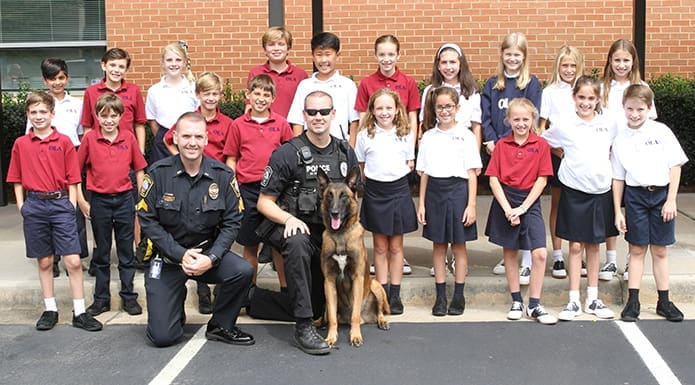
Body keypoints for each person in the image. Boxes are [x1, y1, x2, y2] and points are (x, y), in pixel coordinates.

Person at [137, 112, 254, 347]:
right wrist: (180, 254)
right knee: (163, 337)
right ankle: (172, 306)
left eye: (198, 136)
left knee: (242, 270)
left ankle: (221, 325)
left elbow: (232, 222)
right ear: (176, 138)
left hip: (205, 255)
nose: (192, 142)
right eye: (186, 136)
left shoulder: (222, 176)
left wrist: (211, 258)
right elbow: (147, 220)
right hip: (168, 259)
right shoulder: (157, 174)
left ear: (206, 139)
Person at [256, 90, 359, 355]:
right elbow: (264, 202)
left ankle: (253, 299)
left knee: (317, 305)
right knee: (299, 242)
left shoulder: (344, 151)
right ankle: (303, 328)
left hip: (328, 236)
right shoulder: (287, 153)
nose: (318, 117)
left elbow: (351, 200)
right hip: (296, 230)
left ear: (333, 114)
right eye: (312, 112)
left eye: (324, 111)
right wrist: (289, 218)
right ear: (304, 115)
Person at [6, 91, 103, 332]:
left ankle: (80, 311)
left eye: (43, 112)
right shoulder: (21, 144)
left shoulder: (64, 142)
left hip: (60, 204)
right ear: (28, 115)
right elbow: (16, 178)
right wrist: (21, 205)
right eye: (33, 112)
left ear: (52, 114)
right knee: (45, 260)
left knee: (72, 260)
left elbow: (73, 178)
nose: (39, 117)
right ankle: (50, 309)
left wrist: (71, 205)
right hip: (35, 205)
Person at [542, 76, 617, 321]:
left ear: (598, 100)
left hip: (600, 191)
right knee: (575, 246)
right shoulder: (565, 124)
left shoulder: (608, 123)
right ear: (574, 97)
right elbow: (544, 141)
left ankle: (593, 298)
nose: (586, 103)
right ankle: (573, 299)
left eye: (591, 98)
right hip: (574, 191)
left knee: (594, 245)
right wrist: (563, 156)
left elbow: (618, 148)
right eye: (581, 97)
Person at [612, 84, 687, 323]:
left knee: (660, 250)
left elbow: (675, 166)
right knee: (636, 249)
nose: (634, 114)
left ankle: (664, 301)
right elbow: (618, 177)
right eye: (630, 109)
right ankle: (633, 301)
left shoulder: (661, 131)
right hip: (636, 196)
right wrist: (618, 211)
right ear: (623, 107)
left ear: (649, 108)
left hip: (661, 196)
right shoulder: (620, 137)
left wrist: (671, 200)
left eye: (640, 109)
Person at [163, 71, 234, 314]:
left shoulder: (227, 124)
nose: (211, 98)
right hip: (191, 181)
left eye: (215, 94)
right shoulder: (189, 120)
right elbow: (168, 139)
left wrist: (224, 177)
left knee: (216, 237)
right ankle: (203, 291)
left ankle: (218, 288)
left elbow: (231, 153)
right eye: (206, 93)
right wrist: (180, 162)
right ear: (198, 95)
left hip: (216, 184)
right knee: (196, 233)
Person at [484, 97, 556, 325]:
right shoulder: (502, 146)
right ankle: (516, 300)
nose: (521, 123)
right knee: (510, 252)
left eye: (525, 119)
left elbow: (542, 180)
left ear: (533, 119)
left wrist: (523, 208)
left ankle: (534, 304)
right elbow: (494, 179)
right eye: (516, 119)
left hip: (529, 202)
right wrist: (508, 209)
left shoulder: (541, 145)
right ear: (508, 120)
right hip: (506, 200)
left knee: (540, 253)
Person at [77, 94, 147, 317]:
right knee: (102, 253)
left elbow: (139, 169)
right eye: (103, 115)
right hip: (99, 201)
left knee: (126, 252)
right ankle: (101, 299)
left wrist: (140, 199)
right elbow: (75, 171)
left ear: (120, 116)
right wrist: (81, 200)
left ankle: (128, 296)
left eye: (113, 115)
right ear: (96, 116)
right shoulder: (90, 139)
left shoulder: (128, 137)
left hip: (125, 199)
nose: (108, 120)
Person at [224, 74, 294, 292]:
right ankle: (249, 290)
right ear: (248, 95)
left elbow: (290, 155)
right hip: (248, 190)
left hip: (276, 192)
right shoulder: (238, 125)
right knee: (250, 244)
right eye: (257, 93)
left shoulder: (281, 124)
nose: (261, 98)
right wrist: (232, 188)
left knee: (278, 245)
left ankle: (285, 290)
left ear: (273, 98)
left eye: (266, 94)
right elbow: (231, 158)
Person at [481, 32, 542, 281]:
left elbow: (532, 116)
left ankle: (527, 258)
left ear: (524, 57)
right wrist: (491, 140)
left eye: (517, 54)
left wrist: (512, 142)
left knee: (526, 200)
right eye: (508, 54)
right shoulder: (492, 84)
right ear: (502, 55)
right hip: (499, 151)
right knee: (505, 199)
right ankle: (510, 252)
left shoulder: (531, 84)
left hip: (523, 152)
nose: (512, 59)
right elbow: (485, 116)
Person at [417, 87, 481, 316]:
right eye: (440, 107)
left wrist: (471, 205)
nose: (444, 111)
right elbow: (424, 173)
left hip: (458, 191)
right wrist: (422, 204)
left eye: (449, 106)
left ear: (457, 108)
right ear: (434, 110)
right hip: (435, 191)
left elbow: (472, 172)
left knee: (459, 245)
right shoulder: (428, 136)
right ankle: (441, 295)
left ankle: (459, 294)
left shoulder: (466, 135)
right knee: (439, 245)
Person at [419, 43, 482, 277]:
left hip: (461, 154)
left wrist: (473, 162)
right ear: (438, 65)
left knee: (458, 237)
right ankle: (440, 271)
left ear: (461, 63)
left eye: (453, 62)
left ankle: (457, 271)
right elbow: (424, 123)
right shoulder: (430, 91)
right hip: (437, 151)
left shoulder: (470, 91)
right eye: (443, 62)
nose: (448, 66)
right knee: (438, 238)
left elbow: (476, 126)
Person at [24, 58, 89, 277]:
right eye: (52, 79)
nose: (57, 82)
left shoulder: (76, 104)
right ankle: (51, 258)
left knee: (74, 209)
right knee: (49, 210)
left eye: (61, 78)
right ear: (45, 80)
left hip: (71, 157)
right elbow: (29, 137)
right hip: (46, 161)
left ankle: (76, 256)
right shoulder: (40, 105)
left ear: (67, 78)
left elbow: (81, 133)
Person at [600, 39, 658, 281]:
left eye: (626, 60)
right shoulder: (603, 88)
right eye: (617, 60)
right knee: (611, 207)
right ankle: (611, 259)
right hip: (608, 155)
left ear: (633, 61)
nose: (621, 65)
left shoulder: (640, 86)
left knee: (632, 208)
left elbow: (650, 123)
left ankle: (628, 259)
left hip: (634, 159)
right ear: (610, 62)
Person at [355, 88, 417, 315]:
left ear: (397, 109)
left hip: (398, 190)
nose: (384, 112)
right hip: (375, 192)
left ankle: (395, 292)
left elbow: (409, 163)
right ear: (372, 110)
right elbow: (361, 167)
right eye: (379, 108)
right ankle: (380, 292)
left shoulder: (405, 133)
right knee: (380, 247)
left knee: (396, 246)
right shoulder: (364, 136)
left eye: (389, 108)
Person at [538, 45, 585, 280]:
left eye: (573, 65)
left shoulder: (585, 90)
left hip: (581, 158)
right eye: (565, 65)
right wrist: (555, 150)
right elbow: (542, 126)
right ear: (558, 65)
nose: (568, 70)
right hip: (558, 156)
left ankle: (578, 253)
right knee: (557, 204)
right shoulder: (550, 92)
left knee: (578, 205)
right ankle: (557, 256)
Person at [286, 32, 359, 146]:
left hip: (339, 148)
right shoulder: (305, 85)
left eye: (328, 54)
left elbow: (355, 122)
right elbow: (297, 121)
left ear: (337, 55)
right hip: (309, 149)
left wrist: (351, 149)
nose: (323, 60)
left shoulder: (347, 85)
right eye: (319, 54)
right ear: (313, 56)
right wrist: (299, 148)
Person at [81, 47, 147, 154]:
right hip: (99, 150)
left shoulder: (134, 91)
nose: (116, 70)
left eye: (121, 67)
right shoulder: (91, 92)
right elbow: (87, 126)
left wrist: (140, 151)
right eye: (112, 65)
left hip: (127, 149)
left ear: (126, 70)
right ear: (103, 66)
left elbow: (139, 124)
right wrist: (88, 151)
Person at [146, 41, 198, 164]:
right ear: (163, 63)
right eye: (169, 60)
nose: (174, 64)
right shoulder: (154, 91)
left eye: (178, 60)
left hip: (189, 140)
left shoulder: (193, 88)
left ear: (184, 63)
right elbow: (152, 121)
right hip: (162, 143)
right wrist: (164, 137)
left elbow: (199, 114)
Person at [246, 26, 308, 121]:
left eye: (281, 44)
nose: (276, 48)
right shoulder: (255, 73)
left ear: (288, 49)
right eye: (271, 44)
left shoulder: (300, 75)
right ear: (265, 50)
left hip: (292, 130)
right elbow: (249, 105)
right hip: (263, 129)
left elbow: (305, 107)